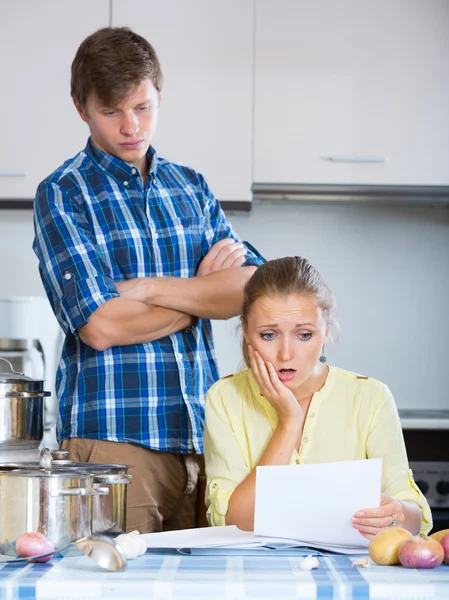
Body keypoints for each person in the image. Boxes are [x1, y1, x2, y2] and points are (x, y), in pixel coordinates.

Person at [32, 26, 264, 534]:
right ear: (81, 108)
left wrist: (148, 289)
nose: (131, 126)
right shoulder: (63, 194)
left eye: (143, 106)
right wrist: (202, 294)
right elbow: (101, 327)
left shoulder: (192, 187)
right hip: (115, 444)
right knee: (109, 589)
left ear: (159, 95)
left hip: (206, 442)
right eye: (111, 111)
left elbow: (252, 291)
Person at [204, 257, 432, 538]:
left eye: (304, 335)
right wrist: (288, 423)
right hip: (258, 575)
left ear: (326, 331)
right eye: (268, 334)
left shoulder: (371, 398)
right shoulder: (225, 398)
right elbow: (233, 523)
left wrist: (397, 513)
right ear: (246, 331)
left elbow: (414, 518)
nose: (285, 354)